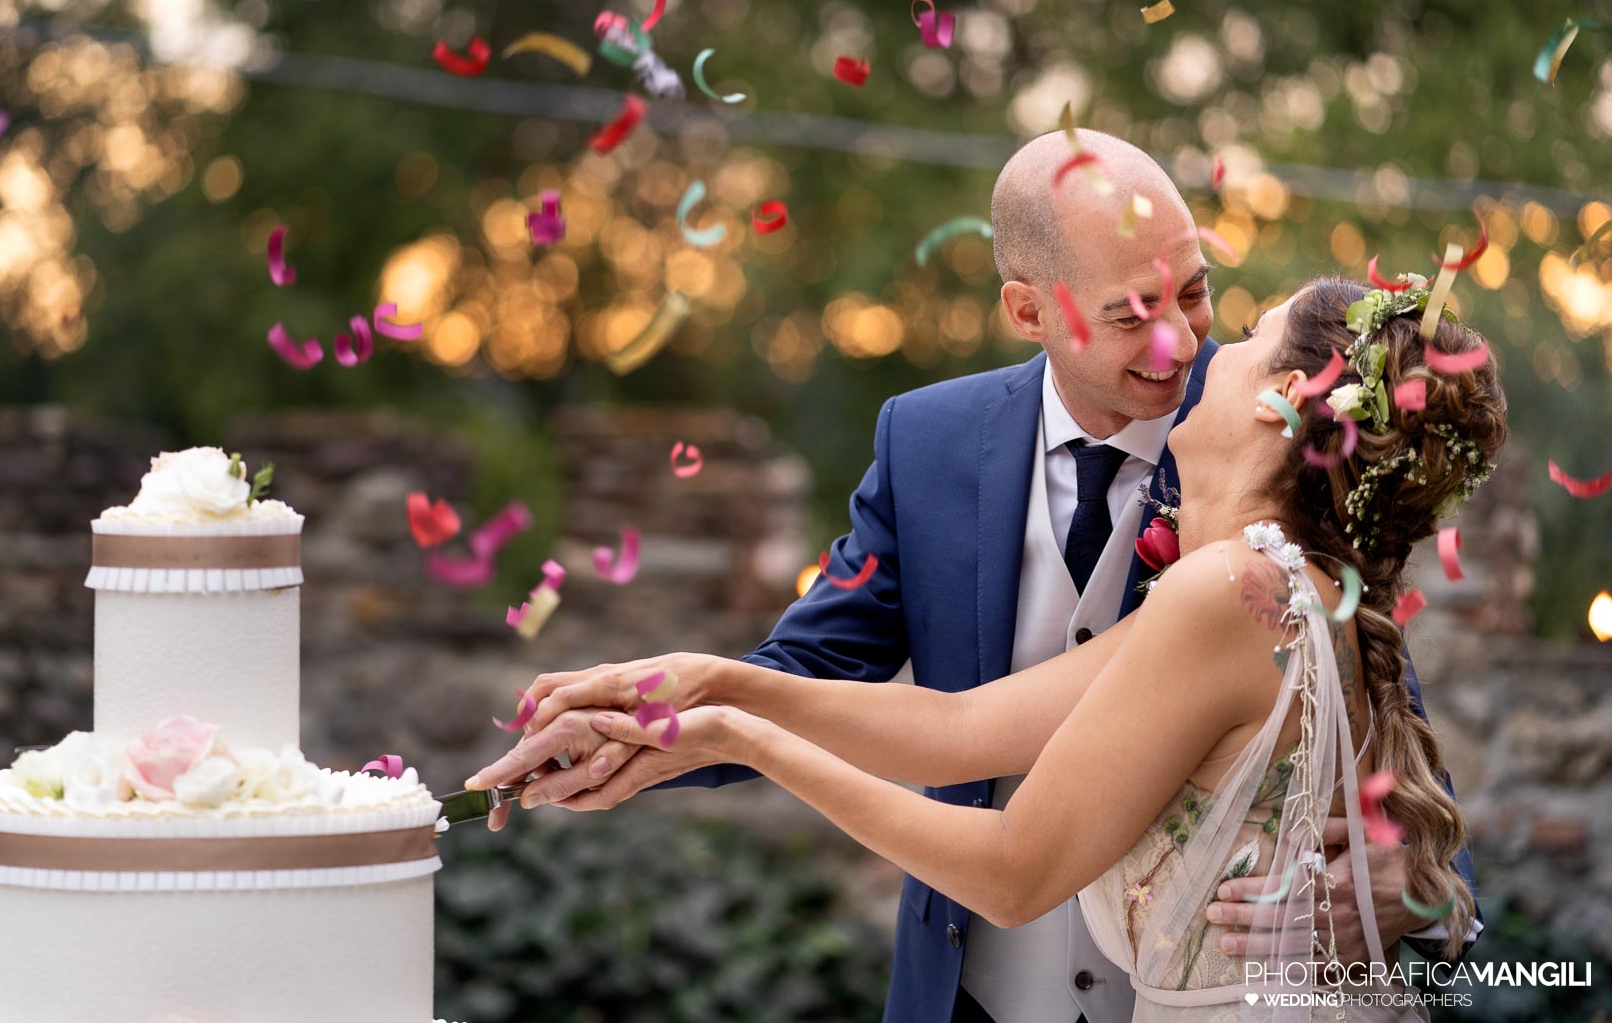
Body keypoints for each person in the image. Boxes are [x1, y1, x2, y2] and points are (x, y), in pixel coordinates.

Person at [470, 133, 1488, 1023]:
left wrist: (1429, 889)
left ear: (1285, 403)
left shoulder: (1267, 556)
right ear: (1028, 309)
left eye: (1199, 298)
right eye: (1131, 314)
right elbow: (949, 723)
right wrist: (694, 697)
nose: (1184, 343)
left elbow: (1387, 736)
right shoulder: (931, 445)